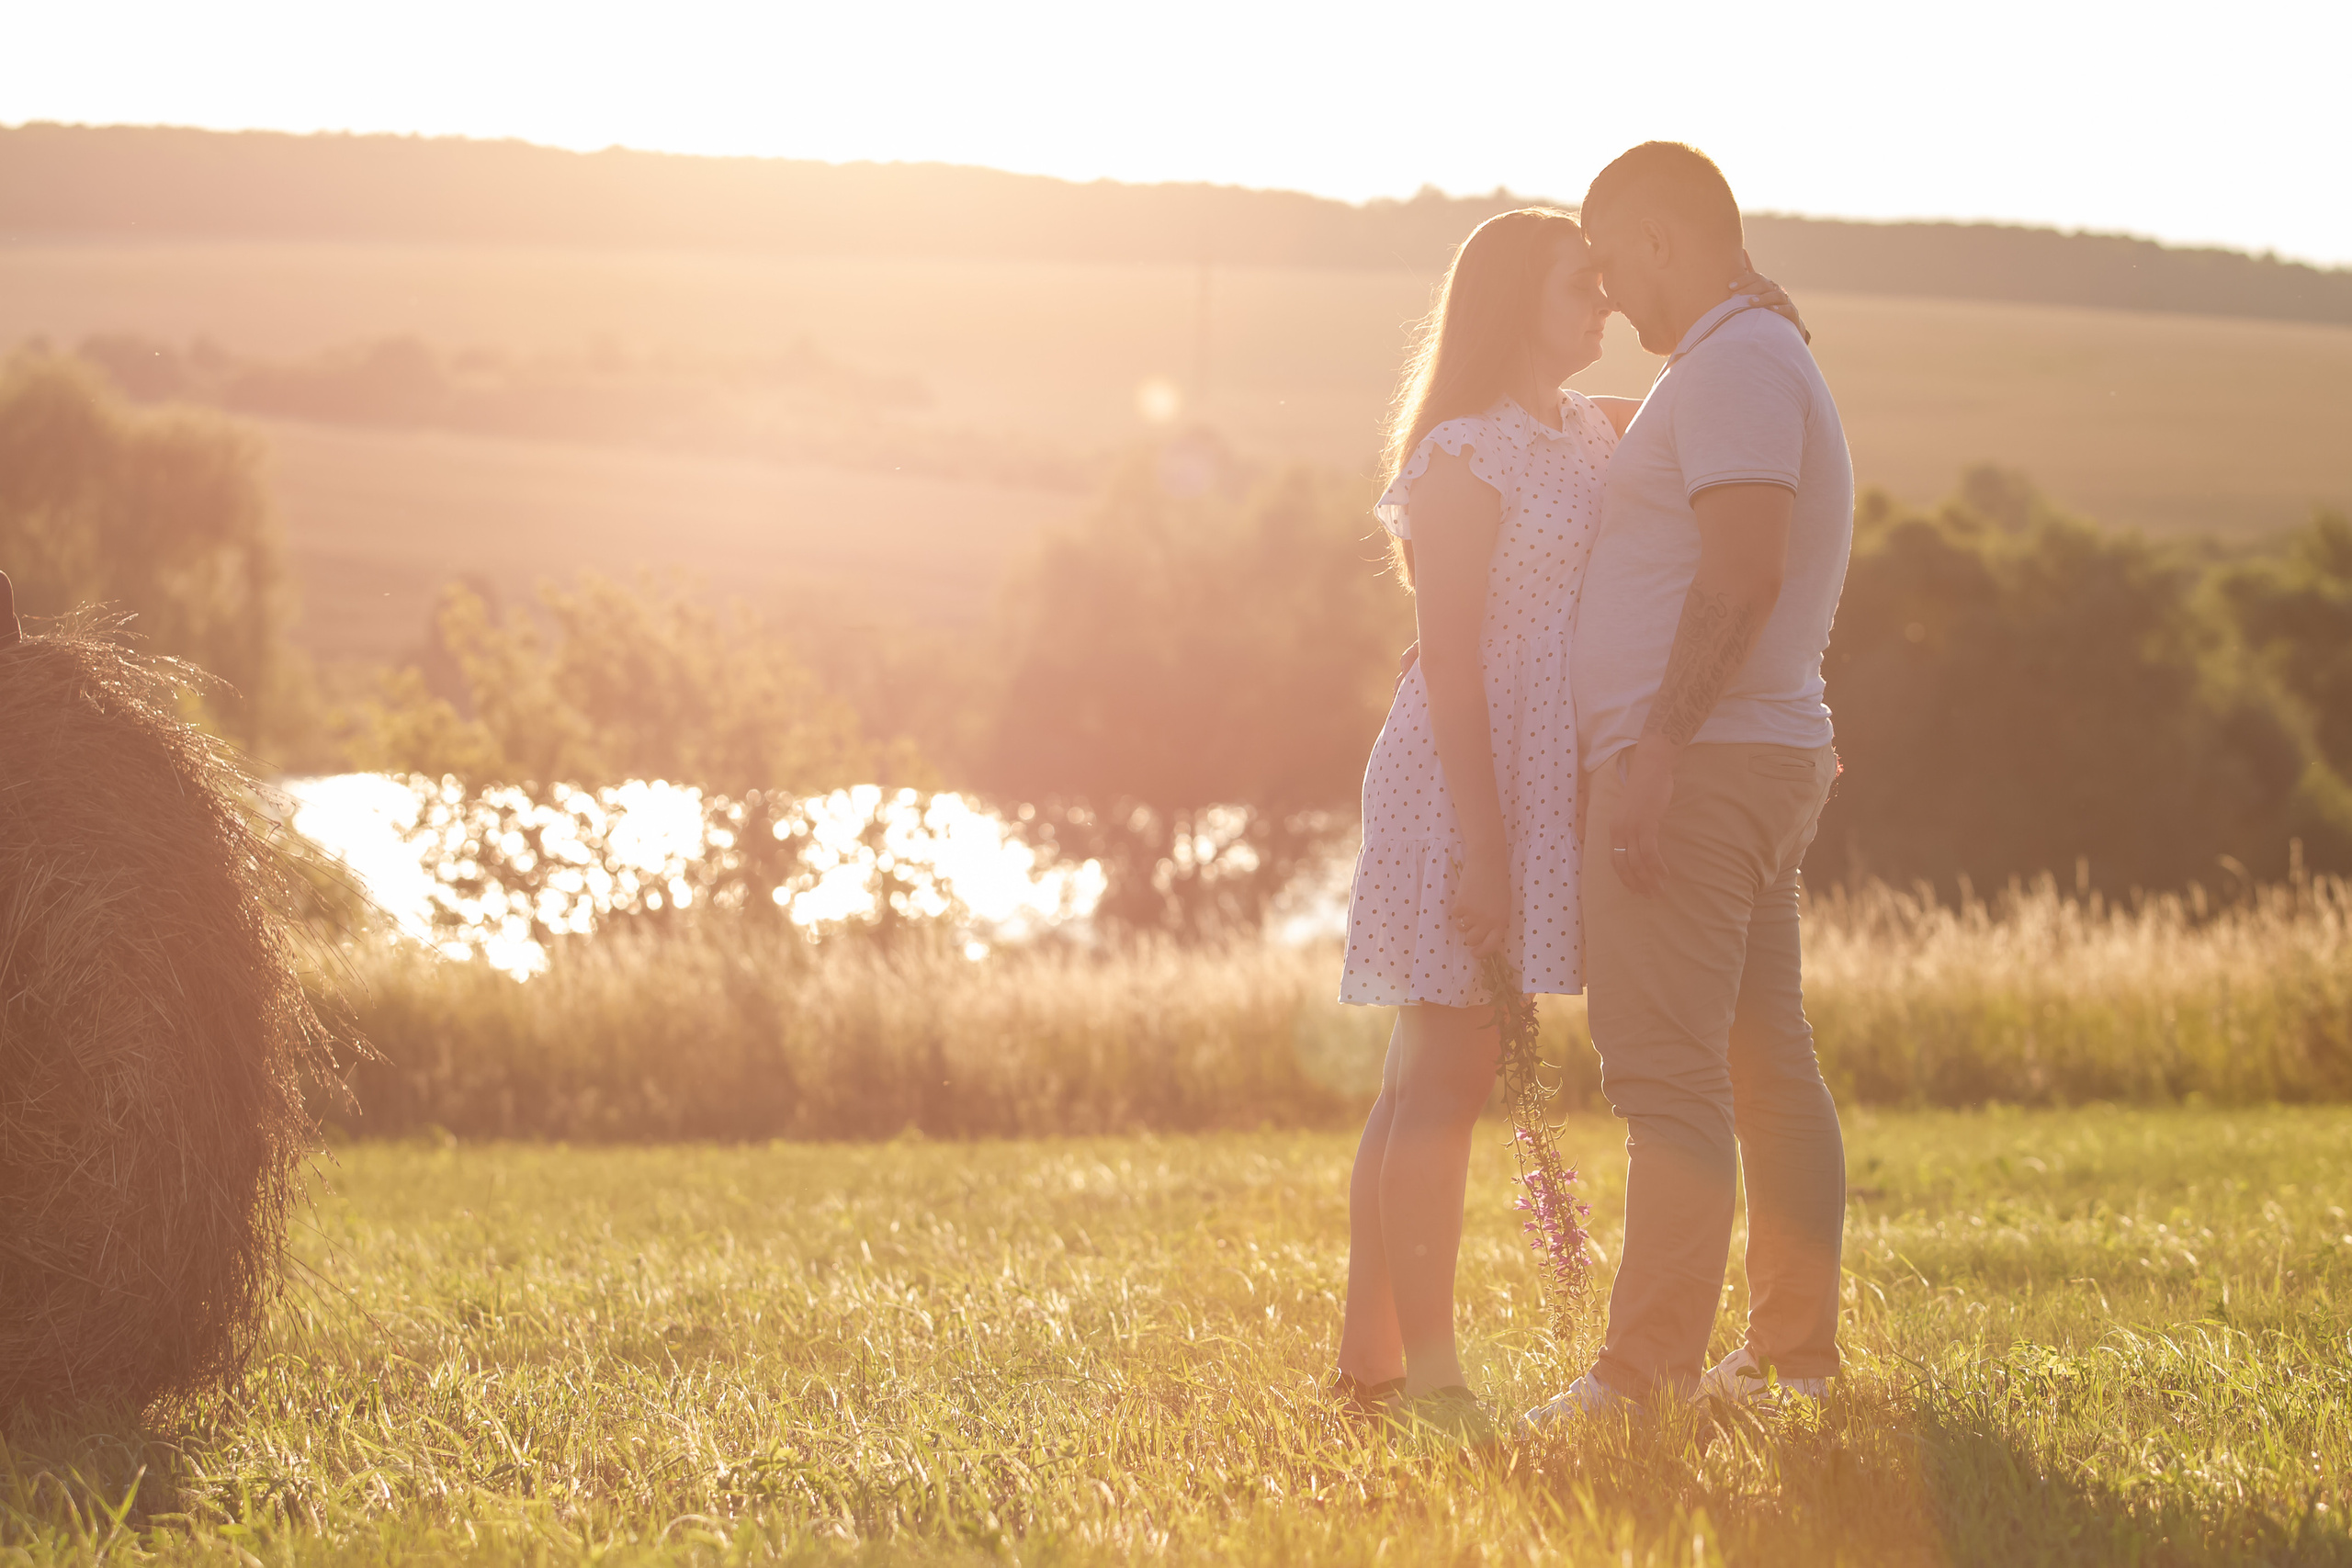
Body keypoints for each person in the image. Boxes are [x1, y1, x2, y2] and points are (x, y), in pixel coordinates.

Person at [1329, 204, 1801, 1438]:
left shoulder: (1587, 429)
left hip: (1545, 775)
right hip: (1465, 775)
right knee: (1445, 1071)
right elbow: (1452, 665)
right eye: (1574, 289)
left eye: (1602, 284)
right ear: (1507, 310)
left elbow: (1714, 399)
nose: (1601, 307)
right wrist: (1486, 847)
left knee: (1422, 1070)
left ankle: (1366, 1357)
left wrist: (1768, 322)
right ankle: (1430, 1378)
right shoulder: (1464, 455)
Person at [1523, 141, 1853, 1428]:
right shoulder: (1741, 363)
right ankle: (1791, 1362)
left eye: (1611, 261)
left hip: (1700, 767)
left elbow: (1742, 573)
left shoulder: (1734, 366)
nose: (1610, 297)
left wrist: (1655, 751)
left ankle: (1640, 1378)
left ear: (1662, 241)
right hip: (1746, 756)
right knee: (1767, 1063)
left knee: (1667, 1078)